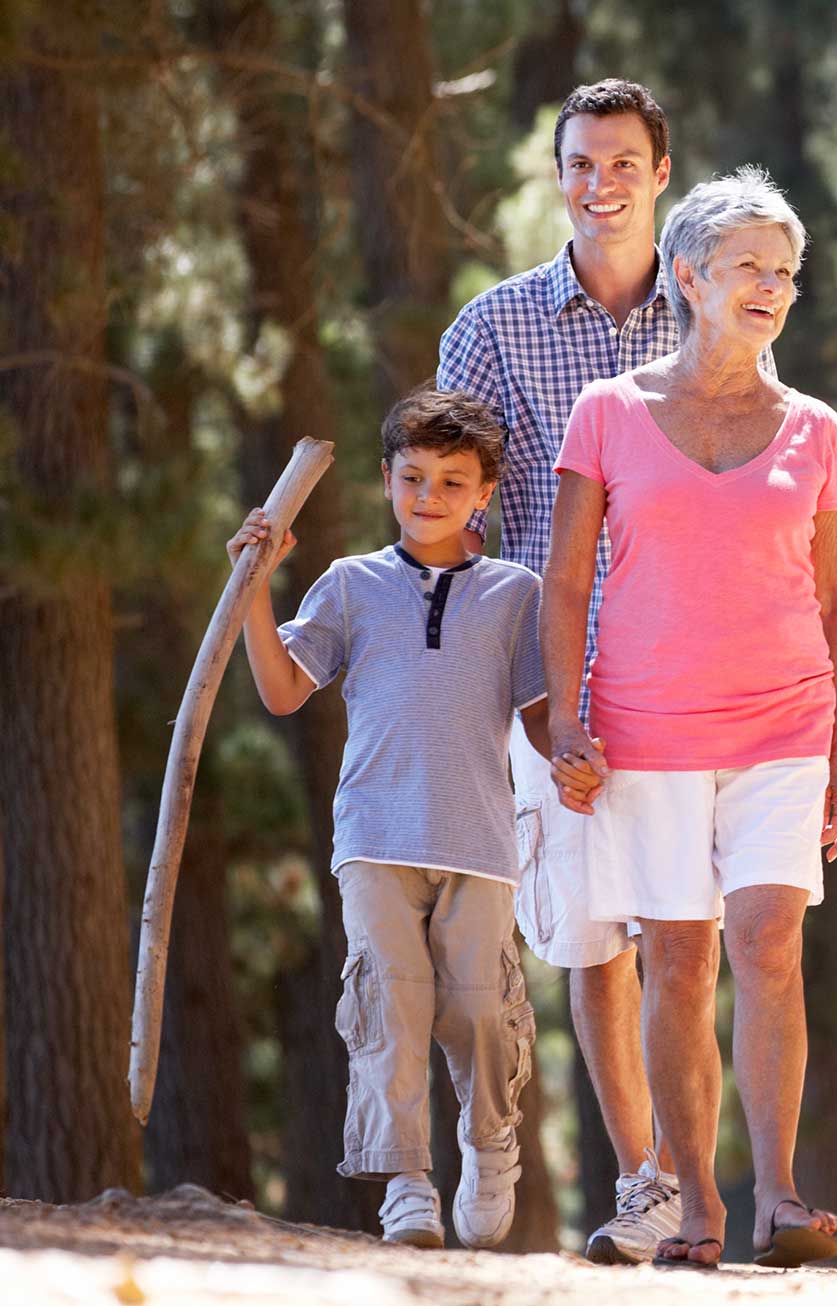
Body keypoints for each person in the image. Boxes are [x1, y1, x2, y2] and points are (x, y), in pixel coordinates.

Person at [543, 166, 837, 1271]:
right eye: (750, 268)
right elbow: (566, 583)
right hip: (645, 729)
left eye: (786, 271)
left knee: (768, 940)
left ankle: (777, 1196)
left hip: (784, 724)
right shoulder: (608, 413)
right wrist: (567, 722)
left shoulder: (812, 426)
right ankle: (697, 1205)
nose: (772, 287)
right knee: (677, 963)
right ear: (688, 275)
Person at [437, 78, 688, 1263]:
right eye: (581, 163)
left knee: (695, 936)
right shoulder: (489, 329)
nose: (601, 183)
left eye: (623, 162)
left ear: (659, 174)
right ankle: (651, 1187)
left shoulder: (709, 310)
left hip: (698, 666)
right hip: (555, 682)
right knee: (595, 944)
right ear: (558, 177)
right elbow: (459, 519)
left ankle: (710, 1189)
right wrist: (521, 692)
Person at [228, 389, 550, 1249]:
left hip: (482, 839)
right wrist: (256, 590)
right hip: (375, 835)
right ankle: (407, 1181)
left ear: (484, 491)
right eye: (412, 477)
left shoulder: (516, 594)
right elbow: (283, 689)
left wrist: (586, 756)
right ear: (385, 481)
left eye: (452, 480)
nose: (430, 495)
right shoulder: (350, 585)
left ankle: (490, 1145)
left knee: (481, 1008)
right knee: (392, 1006)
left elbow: (545, 714)